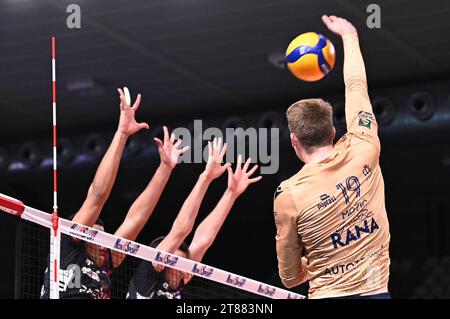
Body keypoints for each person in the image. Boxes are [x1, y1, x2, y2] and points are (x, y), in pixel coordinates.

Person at [273, 15, 391, 299]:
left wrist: (321, 260)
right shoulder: (364, 146)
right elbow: (356, 87)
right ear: (333, 131)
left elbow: (289, 277)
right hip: (376, 292)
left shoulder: (288, 195)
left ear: (294, 141)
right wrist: (350, 36)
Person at [41, 88, 188, 299]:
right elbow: (97, 195)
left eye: (104, 235)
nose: (102, 242)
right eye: (95, 236)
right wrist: (122, 134)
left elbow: (136, 219)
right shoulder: (67, 246)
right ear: (80, 237)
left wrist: (165, 168)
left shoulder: (108, 258)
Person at [127, 139, 262, 299]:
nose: (181, 269)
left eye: (183, 264)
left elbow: (203, 241)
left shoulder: (178, 282)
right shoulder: (147, 275)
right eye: (175, 262)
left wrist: (231, 194)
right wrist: (206, 177)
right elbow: (180, 230)